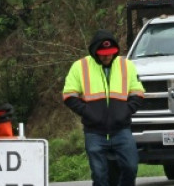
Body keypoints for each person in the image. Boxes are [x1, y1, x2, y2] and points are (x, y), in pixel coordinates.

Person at [62, 30, 145, 186]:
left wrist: (125, 112)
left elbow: (138, 92)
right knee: (100, 175)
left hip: (121, 129)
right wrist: (88, 113)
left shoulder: (126, 65)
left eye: (111, 53)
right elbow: (68, 95)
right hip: (94, 132)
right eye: (103, 54)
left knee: (131, 167)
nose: (107, 56)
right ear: (94, 52)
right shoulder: (80, 67)